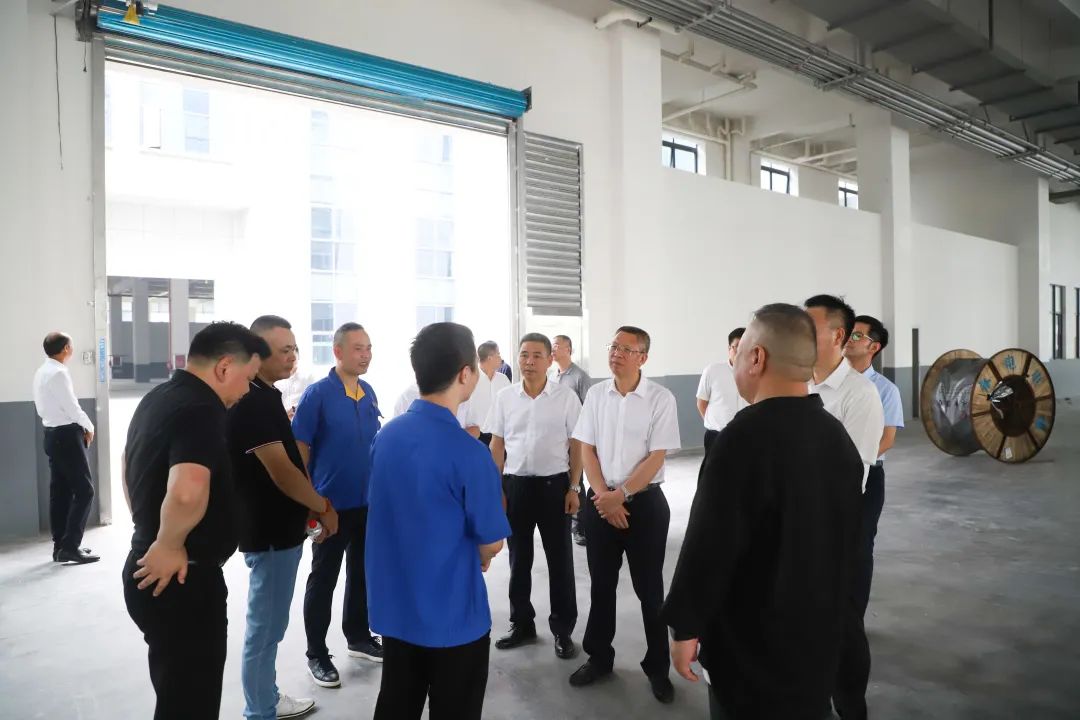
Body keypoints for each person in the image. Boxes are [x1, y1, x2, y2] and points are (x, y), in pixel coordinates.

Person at [662, 304, 864, 720]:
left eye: (739, 353)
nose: (734, 361)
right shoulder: (836, 438)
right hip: (817, 640)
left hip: (752, 653)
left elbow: (709, 547)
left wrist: (686, 626)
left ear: (757, 357)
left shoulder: (741, 439)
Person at [122, 322, 269, 720]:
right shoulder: (203, 410)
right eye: (248, 379)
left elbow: (128, 464)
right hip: (182, 579)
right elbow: (188, 489)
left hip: (149, 566)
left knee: (176, 693)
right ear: (224, 367)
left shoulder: (159, 396)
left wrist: (149, 531)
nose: (246, 391)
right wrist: (169, 543)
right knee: (192, 704)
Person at [366, 322, 510, 719]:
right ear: (465, 374)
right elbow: (491, 541)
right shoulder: (469, 453)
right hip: (453, 617)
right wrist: (482, 553)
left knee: (397, 702)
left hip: (396, 610)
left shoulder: (386, 437)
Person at [228, 316, 341, 720]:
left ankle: (266, 698)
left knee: (270, 624)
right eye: (284, 350)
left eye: (295, 348)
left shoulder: (266, 394)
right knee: (266, 628)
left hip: (278, 530)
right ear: (256, 355)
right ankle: (260, 709)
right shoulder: (254, 401)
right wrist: (321, 506)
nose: (293, 356)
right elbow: (282, 471)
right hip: (269, 533)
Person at [569, 326, 681, 704]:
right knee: (601, 586)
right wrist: (604, 497)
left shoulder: (660, 398)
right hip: (601, 501)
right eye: (614, 346)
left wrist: (622, 496)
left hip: (645, 505)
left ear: (642, 358)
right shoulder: (596, 394)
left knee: (650, 590)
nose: (616, 353)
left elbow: (657, 455)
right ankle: (599, 658)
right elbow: (586, 447)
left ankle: (657, 668)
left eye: (626, 349)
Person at [804, 295, 884, 720]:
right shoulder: (796, 383)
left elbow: (850, 476)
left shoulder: (859, 394)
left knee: (842, 622)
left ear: (838, 335)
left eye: (810, 326)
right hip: (796, 524)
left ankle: (851, 706)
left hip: (834, 525)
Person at [292, 322, 383, 688]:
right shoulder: (318, 394)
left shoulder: (368, 391)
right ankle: (316, 653)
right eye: (358, 348)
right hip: (329, 506)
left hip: (367, 503)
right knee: (324, 578)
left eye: (369, 348)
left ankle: (358, 637)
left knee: (362, 572)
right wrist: (311, 502)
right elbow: (299, 451)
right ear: (338, 351)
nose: (366, 355)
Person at [487, 333, 583, 660]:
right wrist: (497, 489)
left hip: (555, 487)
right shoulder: (505, 398)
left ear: (549, 360)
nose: (529, 362)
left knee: (560, 561)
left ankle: (562, 630)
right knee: (519, 559)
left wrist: (574, 487)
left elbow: (577, 445)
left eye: (536, 355)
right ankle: (522, 624)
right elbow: (497, 444)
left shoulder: (565, 398)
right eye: (524, 355)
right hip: (516, 487)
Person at [843, 315, 904, 617]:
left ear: (874, 347)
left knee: (859, 545)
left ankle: (853, 618)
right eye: (848, 333)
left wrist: (848, 463)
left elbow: (887, 440)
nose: (848, 339)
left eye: (857, 336)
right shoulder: (826, 382)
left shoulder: (885, 390)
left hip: (868, 477)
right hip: (825, 477)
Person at [32, 331, 99, 564]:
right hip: (66, 436)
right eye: (71, 345)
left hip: (51, 435)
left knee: (60, 492)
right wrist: (89, 426)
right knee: (84, 491)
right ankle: (70, 546)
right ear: (66, 349)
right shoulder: (59, 373)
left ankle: (60, 547)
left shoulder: (42, 371)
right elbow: (72, 407)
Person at [551, 334, 592, 546]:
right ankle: (566, 520)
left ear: (569, 349)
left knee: (577, 481)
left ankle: (580, 527)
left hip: (575, 438)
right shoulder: (552, 375)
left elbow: (588, 409)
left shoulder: (579, 376)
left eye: (557, 345)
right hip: (557, 438)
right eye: (552, 345)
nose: (553, 349)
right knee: (561, 480)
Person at [695, 327, 747, 453]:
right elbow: (701, 403)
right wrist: (713, 424)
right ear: (729, 348)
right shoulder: (713, 371)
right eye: (737, 347)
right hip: (717, 436)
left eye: (745, 347)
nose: (741, 351)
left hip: (747, 435)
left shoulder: (757, 373)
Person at [468, 341, 511, 444]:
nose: (501, 358)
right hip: (476, 436)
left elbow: (511, 404)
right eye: (498, 354)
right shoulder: (470, 379)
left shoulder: (503, 379)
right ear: (490, 358)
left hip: (500, 436)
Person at [551, 334, 591, 403]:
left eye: (555, 346)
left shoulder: (581, 377)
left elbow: (589, 406)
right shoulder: (551, 377)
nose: (552, 350)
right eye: (551, 347)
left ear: (568, 350)